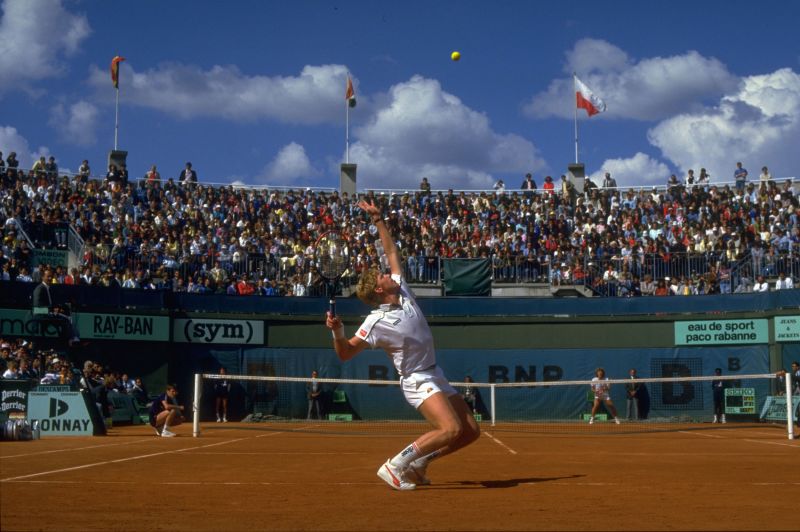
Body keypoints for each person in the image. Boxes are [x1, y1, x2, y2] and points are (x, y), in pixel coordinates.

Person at [325, 198, 480, 490]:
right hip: (416, 380)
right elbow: (345, 354)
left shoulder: (403, 291)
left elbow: (391, 250)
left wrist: (377, 220)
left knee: (470, 431)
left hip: (435, 373)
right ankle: (395, 465)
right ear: (380, 289)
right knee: (451, 428)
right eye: (383, 276)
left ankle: (420, 464)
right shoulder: (374, 322)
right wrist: (338, 332)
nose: (388, 273)